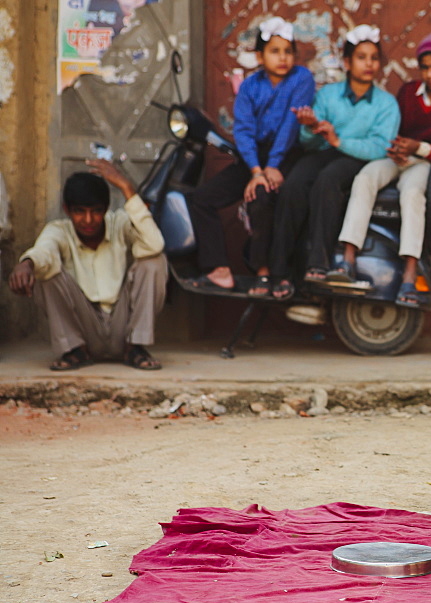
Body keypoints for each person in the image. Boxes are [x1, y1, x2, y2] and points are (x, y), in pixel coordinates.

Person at [337, 30, 431, 305]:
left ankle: (409, 275)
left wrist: (417, 148)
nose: (430, 74)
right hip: (396, 156)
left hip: (425, 163)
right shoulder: (408, 92)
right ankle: (347, 259)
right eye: (425, 67)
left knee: (411, 194)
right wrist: (396, 149)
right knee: (365, 178)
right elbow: (392, 128)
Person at [184, 17, 315, 297]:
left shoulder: (302, 78)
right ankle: (218, 268)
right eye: (275, 51)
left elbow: (289, 127)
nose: (283, 58)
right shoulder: (249, 87)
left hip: (288, 154)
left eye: (288, 51)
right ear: (259, 56)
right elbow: (243, 130)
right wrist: (256, 171)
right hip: (253, 157)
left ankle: (268, 273)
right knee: (202, 200)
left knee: (263, 200)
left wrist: (273, 167)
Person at [268, 24, 400, 298]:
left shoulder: (387, 104)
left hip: (359, 160)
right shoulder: (328, 95)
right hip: (324, 153)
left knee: (328, 180)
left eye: (373, 58)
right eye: (361, 57)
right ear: (347, 62)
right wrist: (310, 127)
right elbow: (310, 144)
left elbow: (379, 148)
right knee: (293, 184)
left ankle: (318, 263)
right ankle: (278, 272)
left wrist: (339, 141)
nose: (368, 64)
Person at [7, 160, 168, 370]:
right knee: (43, 270)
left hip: (123, 327)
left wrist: (127, 189)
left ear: (106, 209)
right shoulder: (59, 230)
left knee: (154, 261)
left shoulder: (119, 224)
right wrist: (26, 264)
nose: (88, 220)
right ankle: (74, 350)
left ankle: (136, 347)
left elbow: (155, 244)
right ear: (67, 210)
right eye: (79, 211)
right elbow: (44, 251)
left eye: (96, 211)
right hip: (84, 330)